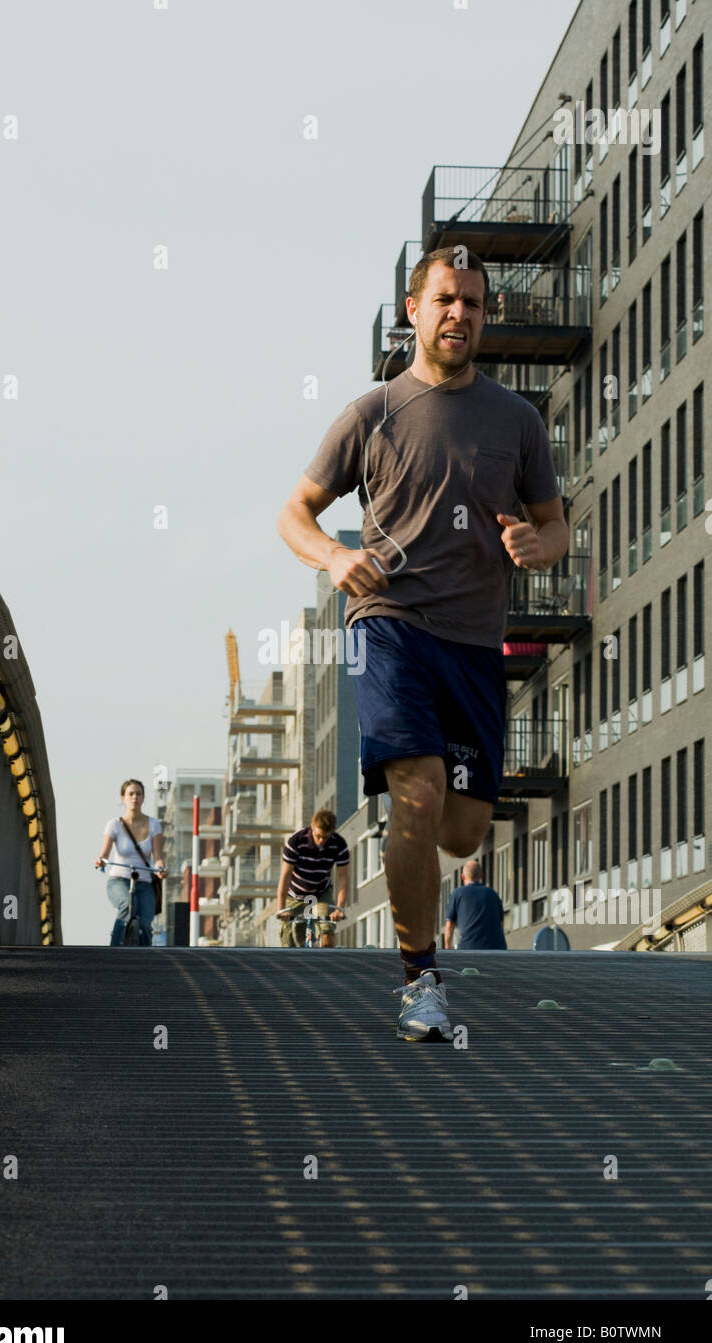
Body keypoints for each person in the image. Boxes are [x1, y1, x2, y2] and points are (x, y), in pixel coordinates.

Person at [277, 245, 567, 1037]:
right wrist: (335, 556)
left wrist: (542, 547)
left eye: (472, 304)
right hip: (389, 625)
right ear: (413, 310)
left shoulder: (516, 421)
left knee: (462, 826)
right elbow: (292, 514)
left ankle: (407, 831)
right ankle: (419, 984)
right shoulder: (371, 414)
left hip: (474, 645)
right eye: (444, 300)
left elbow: (554, 524)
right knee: (418, 790)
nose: (458, 315)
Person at [95, 779, 168, 947]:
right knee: (128, 906)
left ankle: (146, 961)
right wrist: (102, 861)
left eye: (139, 794)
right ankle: (114, 950)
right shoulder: (114, 824)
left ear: (143, 798)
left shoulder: (154, 824)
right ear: (123, 798)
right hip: (119, 880)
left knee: (145, 923)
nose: (135, 797)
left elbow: (157, 857)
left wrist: (160, 870)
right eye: (131, 794)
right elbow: (104, 854)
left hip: (144, 882)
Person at [277, 808, 349, 947]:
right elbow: (285, 876)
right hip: (294, 895)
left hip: (321, 893)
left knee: (326, 930)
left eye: (326, 837)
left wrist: (339, 908)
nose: (321, 841)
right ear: (312, 828)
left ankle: (326, 963)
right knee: (288, 940)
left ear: (332, 833)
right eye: (318, 836)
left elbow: (343, 878)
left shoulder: (339, 844)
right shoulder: (296, 841)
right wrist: (281, 909)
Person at [443, 860, 507, 951]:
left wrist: (448, 950)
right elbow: (501, 924)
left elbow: (449, 927)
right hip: (496, 949)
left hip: (469, 948)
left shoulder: (458, 894)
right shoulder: (493, 894)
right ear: (481, 875)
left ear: (463, 876)